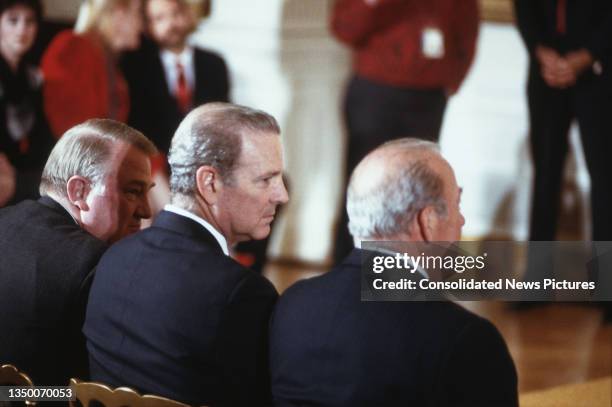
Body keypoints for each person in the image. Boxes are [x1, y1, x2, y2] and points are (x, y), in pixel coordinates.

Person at [269, 139, 518, 406]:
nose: (462, 220)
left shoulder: (291, 303)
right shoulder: (468, 340)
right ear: (428, 222)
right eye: (457, 204)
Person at [84, 102, 288, 406]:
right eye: (266, 180)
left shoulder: (113, 257)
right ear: (209, 183)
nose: (282, 194)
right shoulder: (242, 293)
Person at [0, 118, 156, 386]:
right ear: (79, 192)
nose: (146, 211)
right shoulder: (98, 263)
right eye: (132, 192)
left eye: (146, 193)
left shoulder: (5, 219)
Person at [330, 0, 480, 263]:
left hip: (427, 97)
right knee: (362, 185)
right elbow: (344, 28)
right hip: (374, 91)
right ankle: (347, 271)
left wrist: (449, 80)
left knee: (419, 190)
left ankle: (405, 273)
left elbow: (466, 32)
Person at [514, 0, 612, 242]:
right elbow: (524, 7)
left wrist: (588, 56)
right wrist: (539, 50)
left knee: (604, 180)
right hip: (545, 74)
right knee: (545, 177)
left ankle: (604, 275)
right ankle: (538, 275)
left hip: (599, 73)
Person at [122, 0, 229, 155]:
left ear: (188, 14)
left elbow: (222, 121)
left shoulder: (214, 64)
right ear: (147, 25)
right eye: (159, 18)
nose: (170, 24)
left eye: (176, 14)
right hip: (154, 163)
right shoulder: (136, 68)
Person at [40, 0, 142, 138]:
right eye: (139, 14)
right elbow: (75, 133)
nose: (142, 26)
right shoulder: (73, 47)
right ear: (119, 15)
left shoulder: (110, 63)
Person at [0, 0, 53, 206]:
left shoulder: (32, 77)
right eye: (13, 20)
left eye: (29, 21)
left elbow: (42, 136)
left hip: (21, 172)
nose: (22, 29)